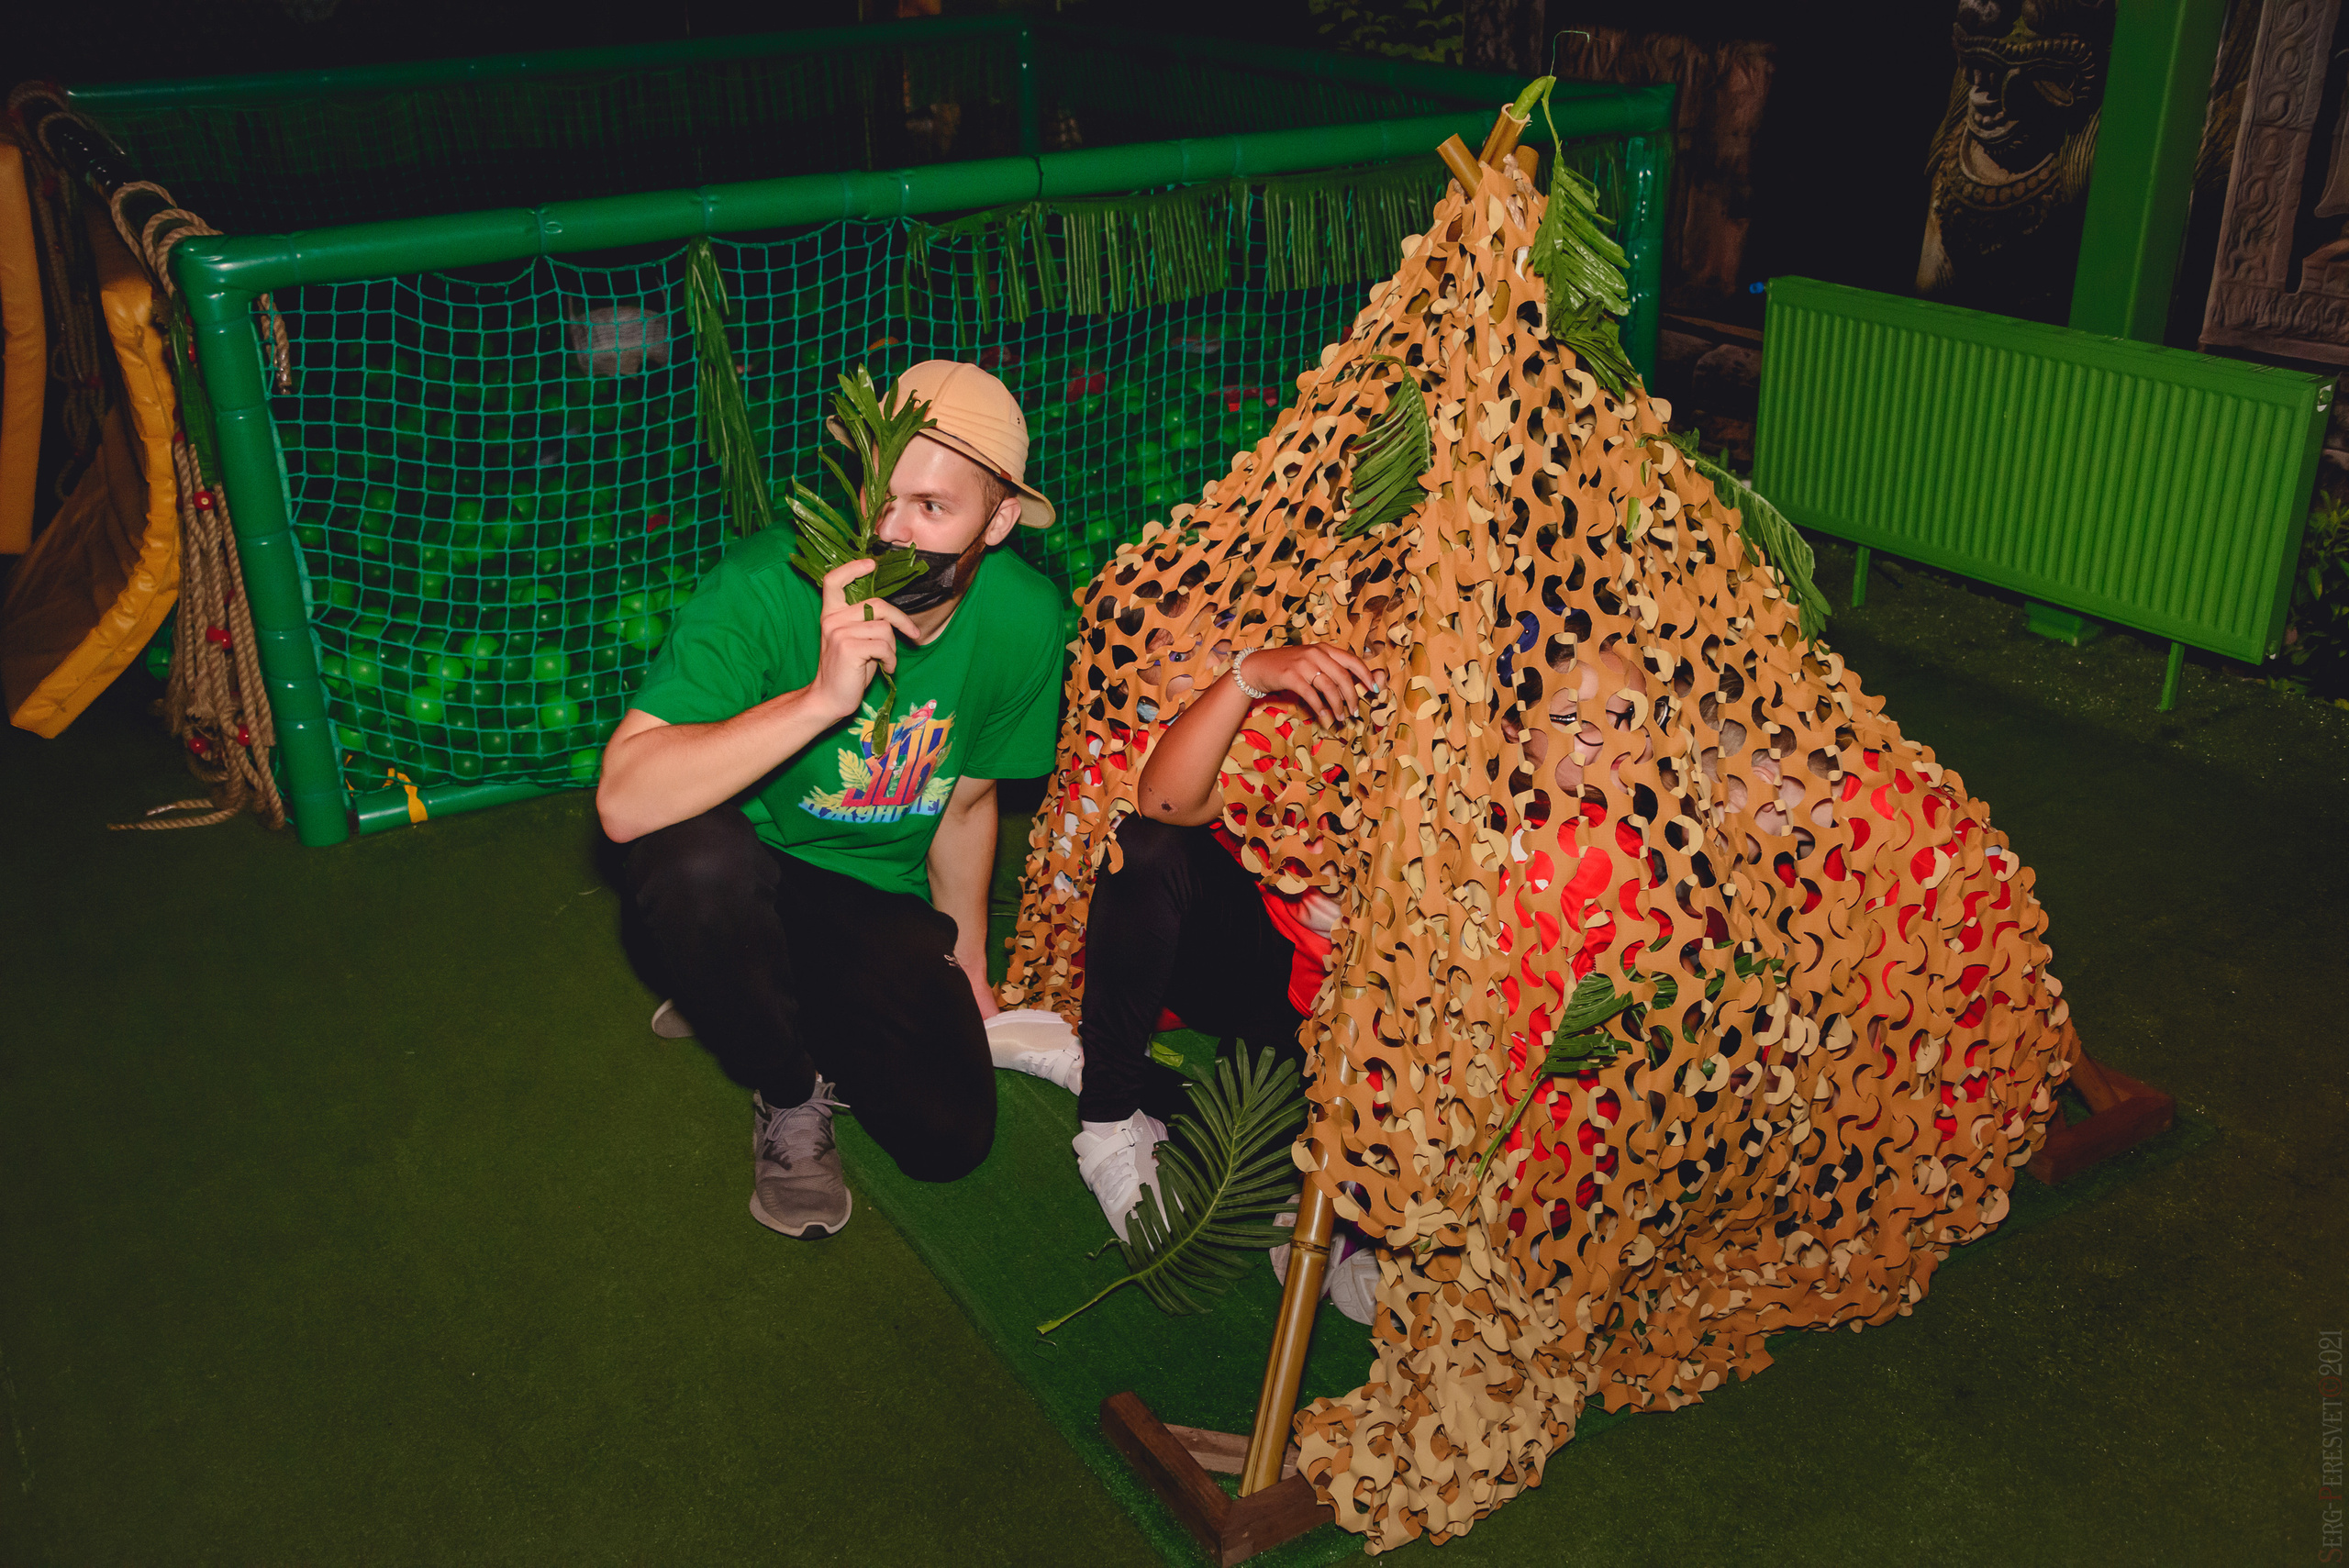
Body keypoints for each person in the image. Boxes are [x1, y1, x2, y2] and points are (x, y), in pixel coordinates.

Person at [598, 361, 1064, 1240]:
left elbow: (966, 804)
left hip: (865, 896)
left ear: (998, 520)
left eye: (933, 508)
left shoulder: (1026, 617)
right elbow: (623, 801)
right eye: (880, 497)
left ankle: (740, 984)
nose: (890, 533)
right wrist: (819, 699)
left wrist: (969, 972)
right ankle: (781, 1079)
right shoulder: (765, 579)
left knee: (947, 1136)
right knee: (695, 868)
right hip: (746, 861)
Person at [992, 635, 1380, 1316]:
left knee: (1257, 1129)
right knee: (1144, 849)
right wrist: (1253, 673)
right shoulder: (1309, 703)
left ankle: (1090, 1059)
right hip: (1262, 969)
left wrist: (1373, 923)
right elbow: (1163, 805)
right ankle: (1108, 1110)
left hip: (1366, 1022)